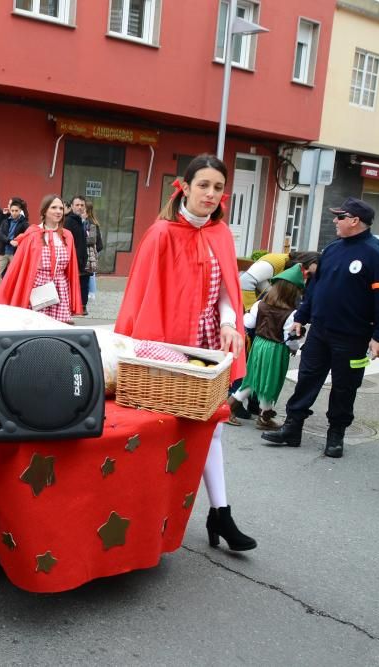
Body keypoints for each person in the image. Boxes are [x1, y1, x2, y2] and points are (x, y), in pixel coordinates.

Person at [115, 154, 256, 552]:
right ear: (185, 186)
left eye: (217, 187)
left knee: (213, 427)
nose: (211, 194)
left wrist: (230, 321)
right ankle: (148, 518)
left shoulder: (221, 234)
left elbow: (229, 288)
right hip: (167, 345)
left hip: (209, 344)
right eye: (204, 186)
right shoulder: (161, 233)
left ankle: (220, 512)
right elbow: (142, 299)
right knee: (161, 434)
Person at [262, 198, 379, 458]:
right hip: (321, 332)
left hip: (354, 336)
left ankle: (336, 435)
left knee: (344, 387)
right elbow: (315, 289)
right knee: (306, 379)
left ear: (355, 220)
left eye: (340, 217)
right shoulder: (333, 249)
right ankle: (292, 428)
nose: (335, 221)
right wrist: (301, 317)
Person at [226, 265, 305, 429]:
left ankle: (239, 411)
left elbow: (248, 323)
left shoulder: (260, 304)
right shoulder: (291, 314)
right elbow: (288, 338)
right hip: (275, 350)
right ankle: (264, 417)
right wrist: (294, 347)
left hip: (258, 345)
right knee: (269, 382)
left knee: (253, 379)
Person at [0, 194, 81, 323]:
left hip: (60, 286)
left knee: (58, 329)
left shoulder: (67, 235)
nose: (58, 211)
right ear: (44, 211)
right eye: (53, 207)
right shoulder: (33, 233)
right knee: (36, 325)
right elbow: (20, 265)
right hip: (37, 286)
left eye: (61, 208)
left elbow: (71, 267)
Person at [239, 249, 320, 311]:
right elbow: (245, 281)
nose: (305, 273)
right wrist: (251, 310)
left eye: (310, 274)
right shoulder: (276, 261)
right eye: (305, 267)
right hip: (243, 306)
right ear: (301, 260)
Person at [0, 197, 29, 275]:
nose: (14, 213)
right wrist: (10, 241)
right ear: (10, 210)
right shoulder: (5, 221)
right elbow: (0, 234)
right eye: (12, 211)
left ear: (20, 211)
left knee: (14, 275)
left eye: (16, 211)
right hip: (3, 252)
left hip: (15, 253)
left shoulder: (24, 223)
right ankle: (0, 287)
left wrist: (18, 241)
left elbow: (27, 235)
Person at [82, 200, 103, 306]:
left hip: (90, 253)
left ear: (87, 210)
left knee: (90, 274)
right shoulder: (92, 222)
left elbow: (96, 242)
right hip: (92, 253)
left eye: (83, 208)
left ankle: (91, 293)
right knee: (91, 274)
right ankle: (91, 293)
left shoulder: (90, 223)